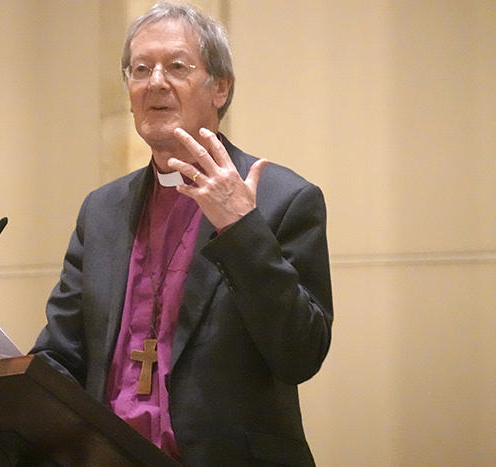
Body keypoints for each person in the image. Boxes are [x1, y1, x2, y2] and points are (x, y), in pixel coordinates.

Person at [30, 2, 333, 466]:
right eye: (140, 69)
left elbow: (300, 354)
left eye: (176, 66)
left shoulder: (283, 198)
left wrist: (241, 228)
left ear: (220, 87)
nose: (155, 82)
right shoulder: (102, 210)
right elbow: (61, 354)